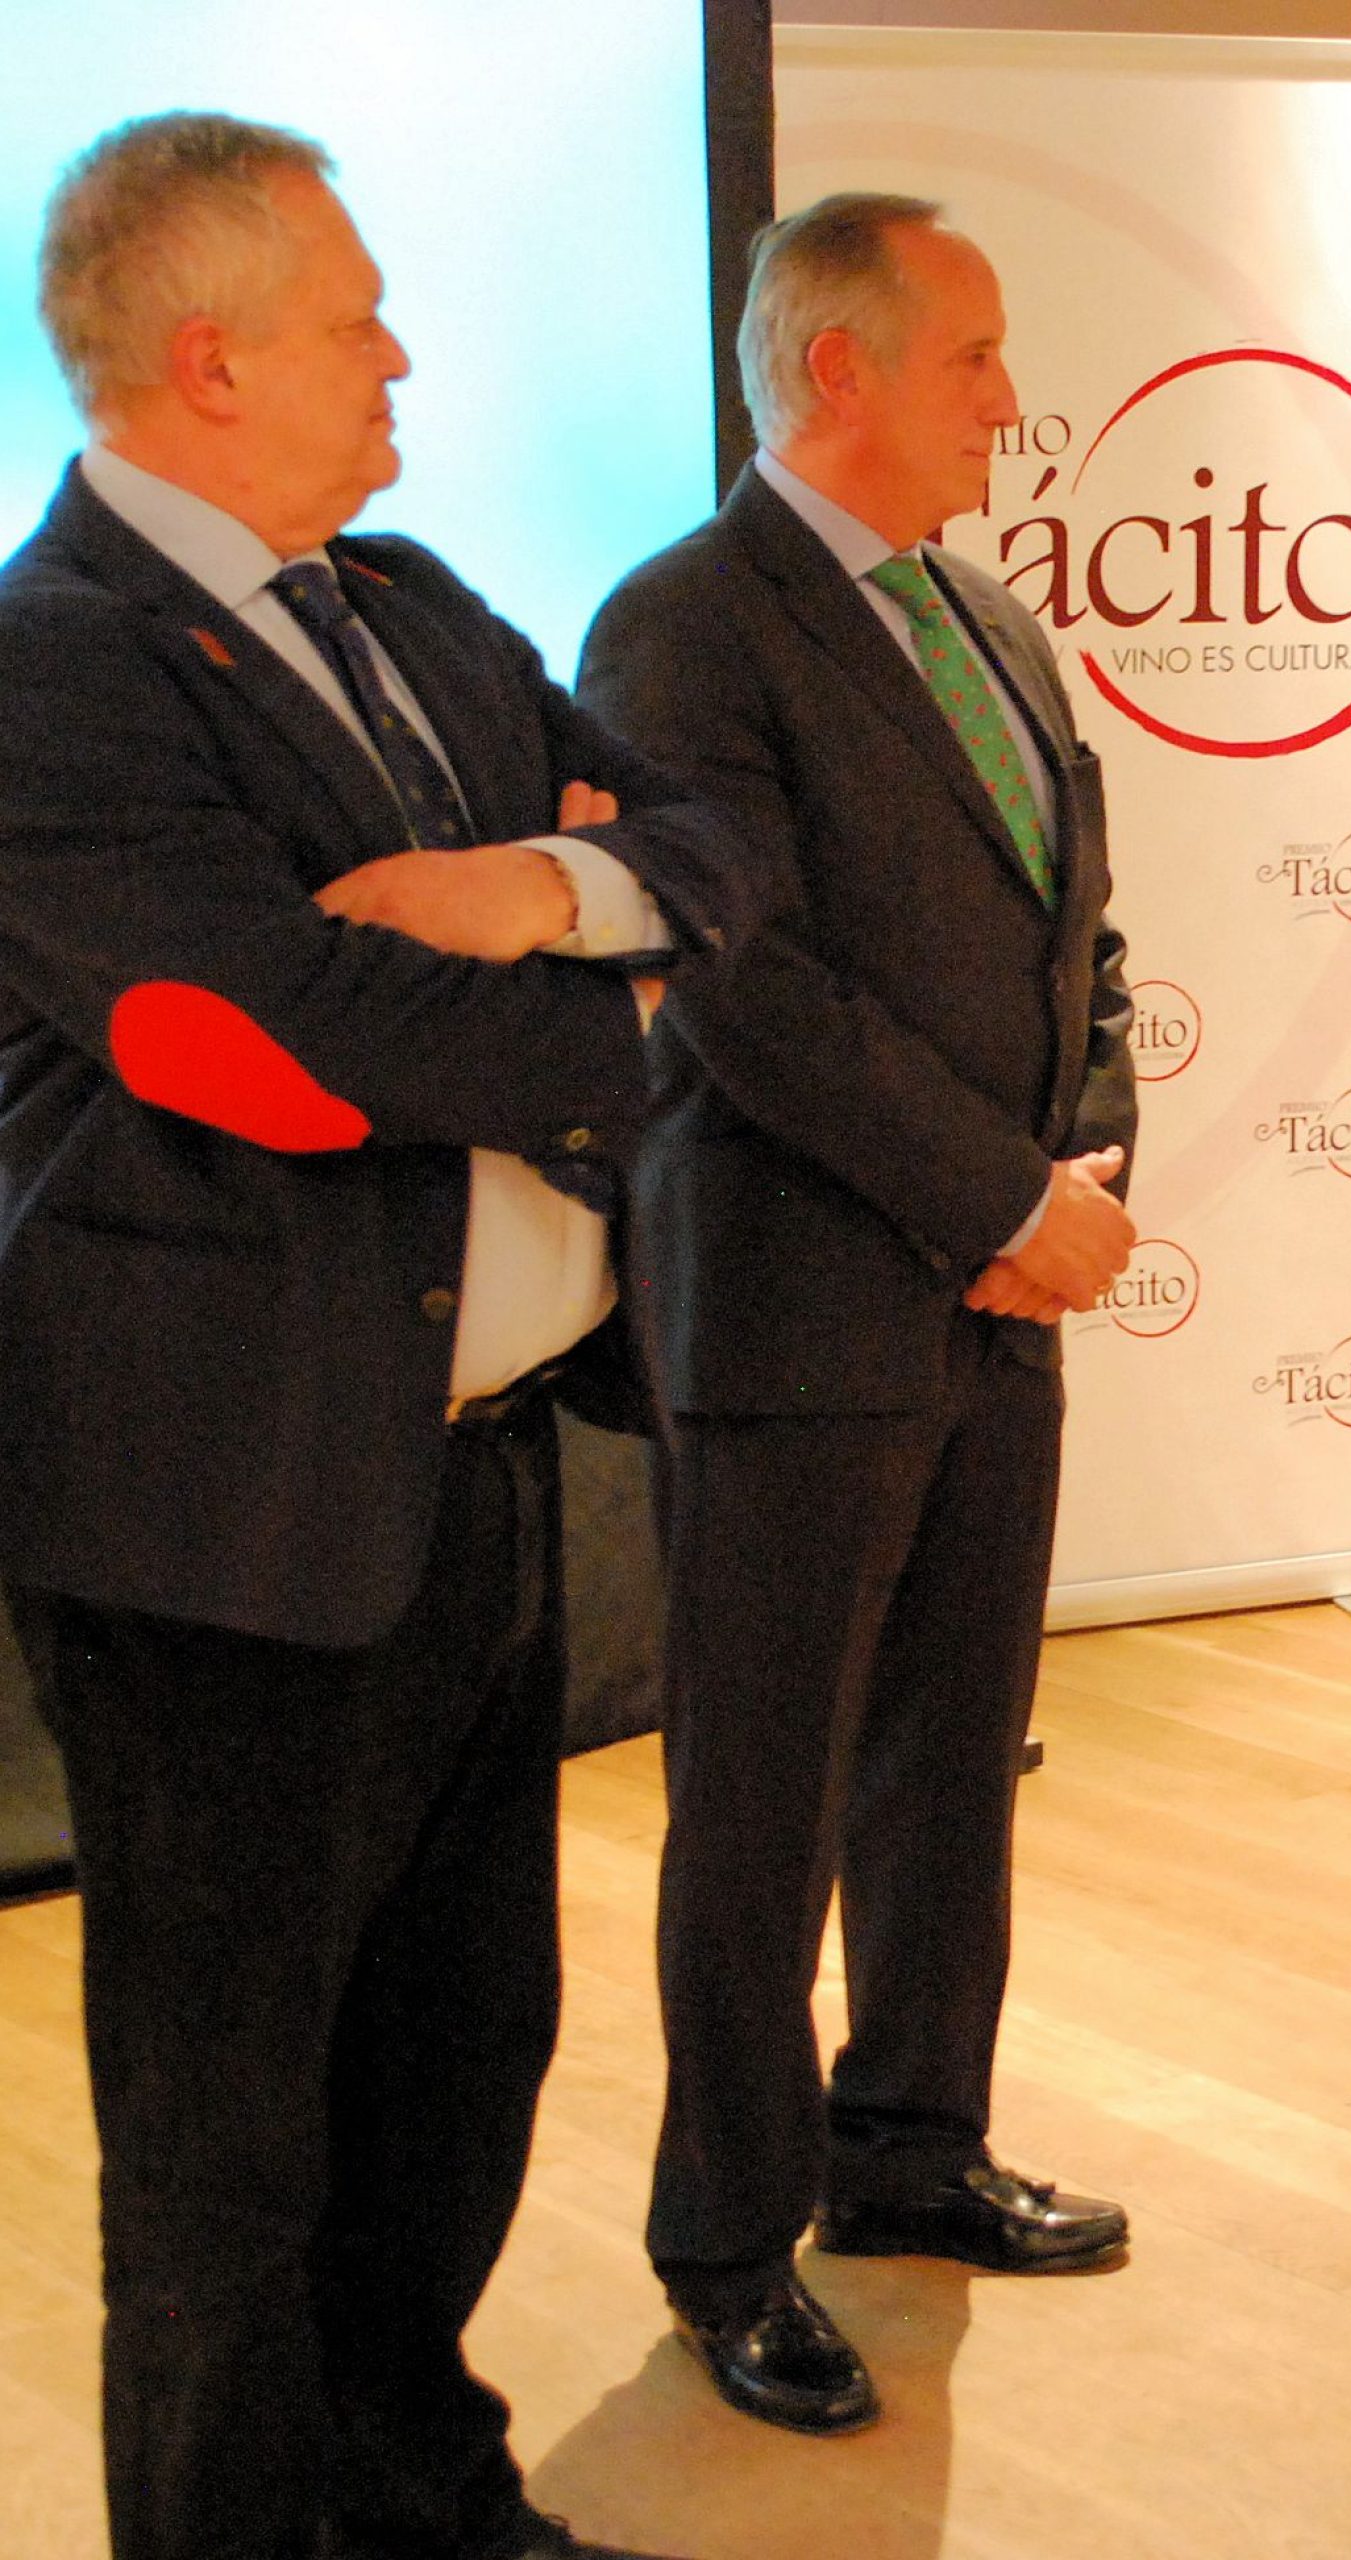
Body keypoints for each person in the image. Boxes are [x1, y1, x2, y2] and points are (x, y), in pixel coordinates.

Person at [0, 113, 772, 2560]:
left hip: (485, 1467)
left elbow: (717, 851)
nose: (404, 356)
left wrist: (525, 887)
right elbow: (283, 1038)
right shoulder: (50, 666)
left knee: (455, 2062)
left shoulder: (414, 600)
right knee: (228, 2139)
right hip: (225, 1512)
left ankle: (421, 2495)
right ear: (208, 357)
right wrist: (612, 995)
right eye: (355, 319)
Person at [577, 193, 1138, 2435]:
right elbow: (748, 991)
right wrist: (997, 1197)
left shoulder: (985, 614)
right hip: (797, 1313)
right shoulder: (681, 626)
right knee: (763, 1807)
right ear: (840, 368)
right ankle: (729, 2242)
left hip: (999, 1302)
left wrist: (1080, 1169)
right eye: (974, 355)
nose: (1009, 398)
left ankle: (907, 2146)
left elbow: (1080, 939)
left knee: (951, 1759)